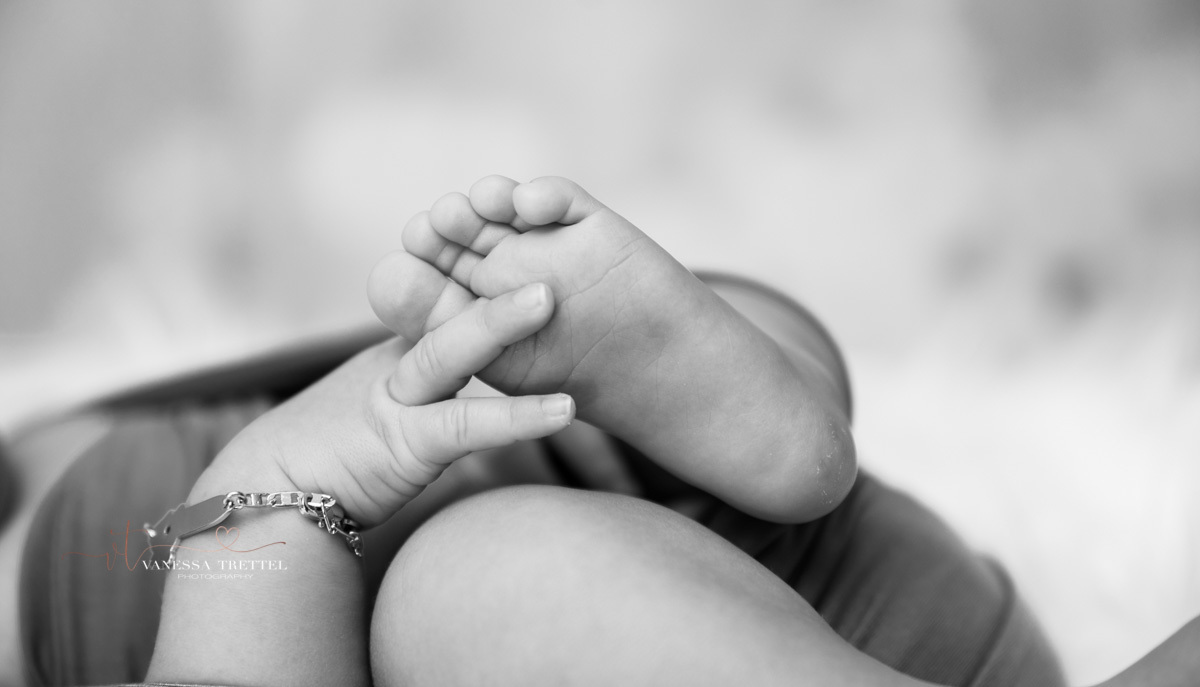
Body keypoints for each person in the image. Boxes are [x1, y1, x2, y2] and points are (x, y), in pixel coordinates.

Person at [6, 177, 1196, 686]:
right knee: (473, 585)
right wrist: (261, 498)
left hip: (736, 531)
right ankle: (733, 391)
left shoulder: (55, 447)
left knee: (621, 357)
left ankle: (755, 400)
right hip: (599, 615)